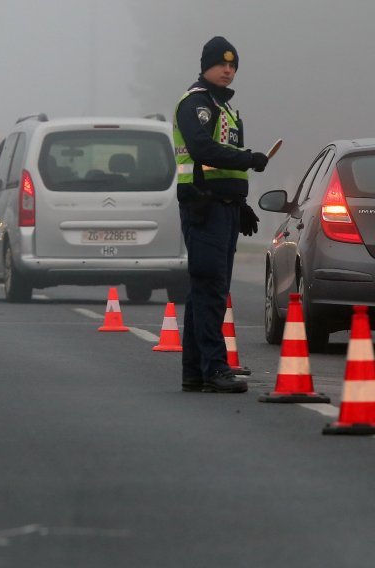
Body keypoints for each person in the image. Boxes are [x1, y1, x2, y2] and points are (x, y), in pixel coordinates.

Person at [173, 36, 266, 393]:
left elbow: (221, 159)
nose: (228, 70)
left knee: (206, 289)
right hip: (203, 206)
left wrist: (239, 203)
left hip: (223, 207)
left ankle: (195, 371)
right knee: (210, 288)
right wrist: (248, 158)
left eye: (233, 65)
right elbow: (201, 148)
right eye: (221, 64)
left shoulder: (223, 107)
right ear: (206, 66)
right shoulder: (196, 103)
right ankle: (215, 368)